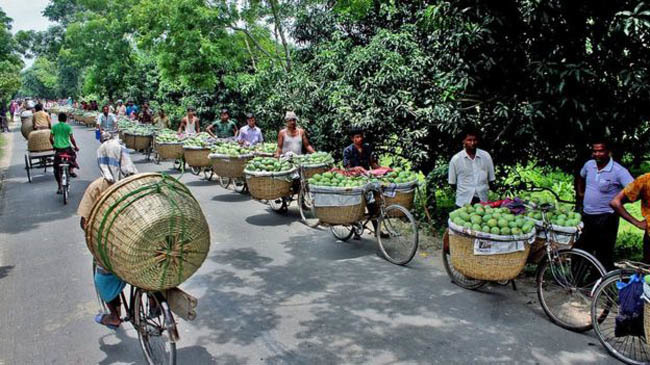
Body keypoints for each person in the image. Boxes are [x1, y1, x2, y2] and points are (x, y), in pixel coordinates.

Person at [78, 131, 137, 330]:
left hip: (115, 250)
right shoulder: (138, 182)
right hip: (141, 243)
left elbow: (85, 223)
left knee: (101, 279)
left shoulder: (98, 186)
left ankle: (114, 315)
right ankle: (155, 302)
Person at [575, 140, 634, 270]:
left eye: (601, 151)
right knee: (580, 250)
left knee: (603, 254)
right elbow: (580, 176)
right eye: (595, 151)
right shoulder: (589, 165)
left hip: (607, 218)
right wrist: (580, 192)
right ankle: (576, 283)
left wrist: (619, 201)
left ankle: (600, 285)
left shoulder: (619, 171)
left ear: (609, 152)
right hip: (588, 216)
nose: (597, 154)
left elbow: (634, 190)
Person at [448, 128, 495, 208]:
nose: (472, 143)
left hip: (483, 201)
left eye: (475, 140)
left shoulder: (486, 156)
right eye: (469, 140)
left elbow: (491, 179)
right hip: (463, 202)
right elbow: (452, 183)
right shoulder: (456, 159)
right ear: (463, 141)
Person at [611, 174, 650, 263]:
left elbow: (615, 202)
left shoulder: (645, 179)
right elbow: (615, 202)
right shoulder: (645, 180)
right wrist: (637, 223)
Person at [50, 113, 80, 193]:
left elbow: (50, 138)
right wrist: (76, 147)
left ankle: (59, 187)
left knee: (56, 169)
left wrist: (54, 145)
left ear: (59, 119)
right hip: (67, 149)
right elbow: (72, 139)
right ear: (66, 119)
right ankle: (71, 170)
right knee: (73, 156)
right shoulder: (68, 127)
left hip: (58, 150)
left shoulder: (54, 127)